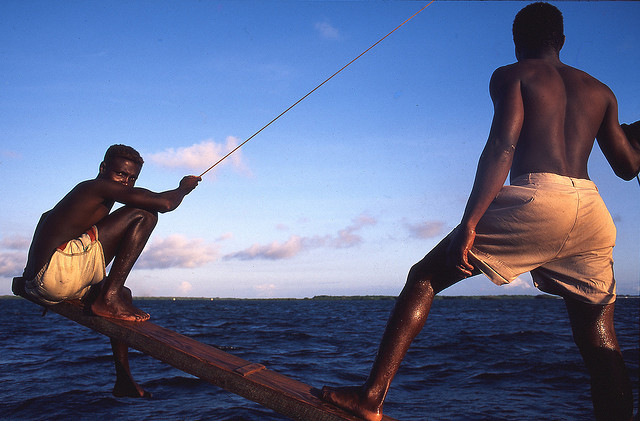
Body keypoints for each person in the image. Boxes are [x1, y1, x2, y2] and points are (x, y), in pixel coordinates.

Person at [321, 3, 639, 420]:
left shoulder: (513, 74)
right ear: (562, 41)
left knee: (424, 277)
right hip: (593, 212)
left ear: (517, 41)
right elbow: (628, 165)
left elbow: (502, 146)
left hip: (540, 199)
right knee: (600, 338)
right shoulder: (601, 91)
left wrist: (468, 224)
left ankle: (371, 398)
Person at [12, 144, 201, 397]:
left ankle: (123, 380)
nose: (126, 182)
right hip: (55, 275)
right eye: (120, 174)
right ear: (103, 169)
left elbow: (45, 219)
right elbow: (165, 203)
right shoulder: (93, 187)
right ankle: (107, 299)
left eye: (132, 178)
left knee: (124, 293)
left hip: (44, 279)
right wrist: (183, 188)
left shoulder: (86, 198)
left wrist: (31, 279)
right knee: (146, 214)